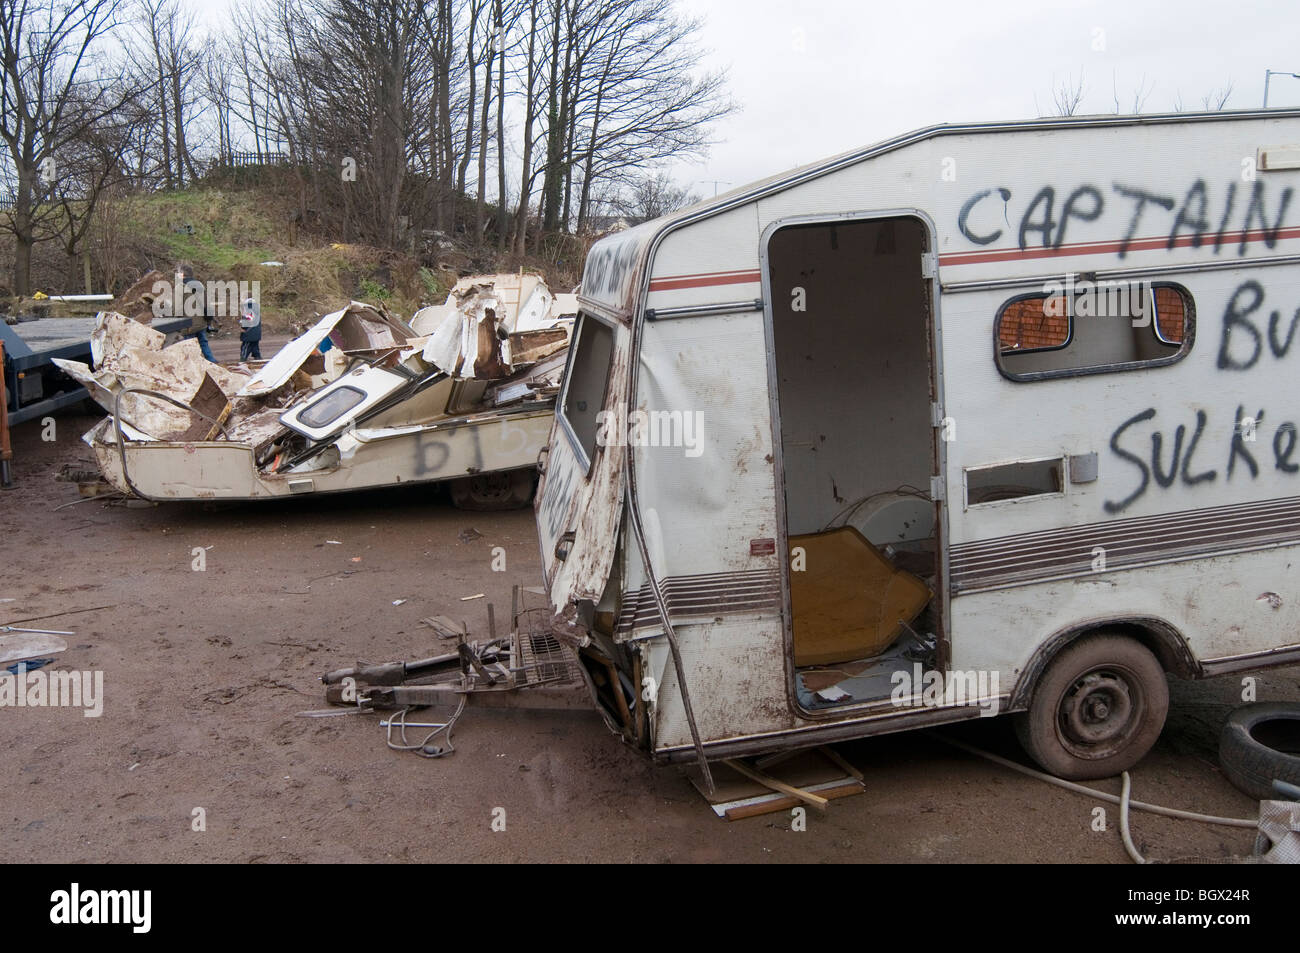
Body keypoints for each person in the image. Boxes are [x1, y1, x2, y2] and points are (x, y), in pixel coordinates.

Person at [177, 264, 216, 362]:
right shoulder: (200, 285)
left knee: (190, 348)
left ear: (182, 274)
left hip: (188, 325)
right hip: (201, 322)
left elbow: (177, 308)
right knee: (203, 344)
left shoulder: (180, 287)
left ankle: (195, 366)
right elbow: (207, 303)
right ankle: (212, 362)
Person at [239, 296, 262, 361]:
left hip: (249, 334)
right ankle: (258, 358)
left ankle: (243, 359)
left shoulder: (248, 311)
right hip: (256, 333)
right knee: (255, 347)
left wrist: (242, 326)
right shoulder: (257, 311)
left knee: (245, 347)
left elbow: (246, 322)